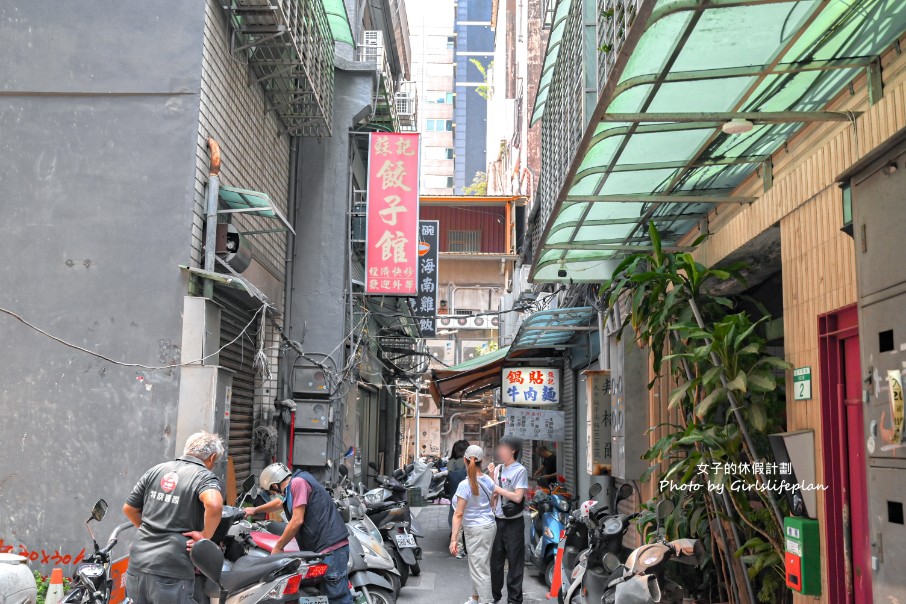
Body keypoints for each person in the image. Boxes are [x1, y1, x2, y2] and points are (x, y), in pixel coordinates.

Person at [122, 431, 225, 604]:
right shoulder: (203, 476)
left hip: (137, 563)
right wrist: (204, 537)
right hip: (172, 567)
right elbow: (214, 506)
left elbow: (129, 509)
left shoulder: (156, 470)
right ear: (212, 457)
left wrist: (149, 530)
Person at [244, 463, 351, 604]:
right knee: (327, 595)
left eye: (272, 490)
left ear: (275, 485)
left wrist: (279, 546)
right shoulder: (295, 484)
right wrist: (254, 510)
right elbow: (279, 503)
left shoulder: (298, 483)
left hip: (331, 547)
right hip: (324, 547)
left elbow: (297, 520)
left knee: (337, 598)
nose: (275, 494)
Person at [450, 445, 497, 604]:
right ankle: (475, 598)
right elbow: (492, 503)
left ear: (465, 460)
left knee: (479, 568)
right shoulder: (488, 480)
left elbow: (458, 514)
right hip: (489, 527)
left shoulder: (465, 485)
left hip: (475, 530)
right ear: (482, 461)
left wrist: (454, 539)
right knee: (480, 565)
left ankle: (486, 601)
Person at [487, 436, 528, 604]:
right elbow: (492, 495)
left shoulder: (520, 471)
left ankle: (514, 599)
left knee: (515, 562)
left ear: (513, 450)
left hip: (514, 523)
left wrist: (497, 488)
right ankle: (494, 595)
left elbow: (518, 497)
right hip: (497, 520)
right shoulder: (498, 469)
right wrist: (491, 476)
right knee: (495, 562)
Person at [446, 439, 470, 558]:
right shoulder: (470, 463)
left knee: (456, 520)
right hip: (469, 496)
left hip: (455, 496)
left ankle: (458, 548)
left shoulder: (451, 463)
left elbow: (449, 479)